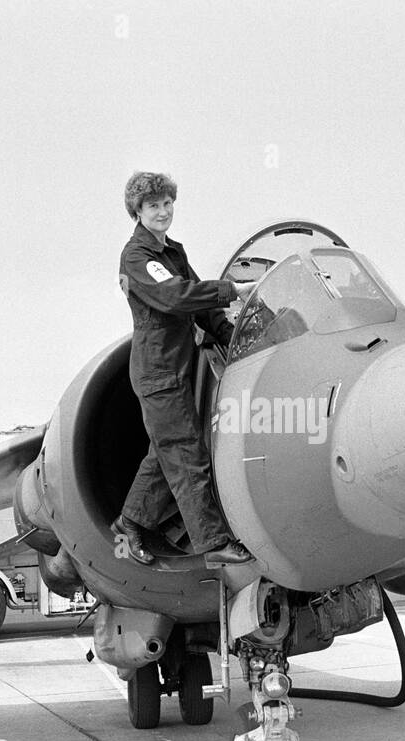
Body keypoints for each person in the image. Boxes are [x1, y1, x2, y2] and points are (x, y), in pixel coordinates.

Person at [113, 171, 255, 567]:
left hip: (176, 369)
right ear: (137, 211)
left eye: (167, 203)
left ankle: (130, 523)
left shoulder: (172, 252)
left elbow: (199, 305)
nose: (163, 211)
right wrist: (231, 291)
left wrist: (228, 333)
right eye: (153, 205)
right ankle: (214, 544)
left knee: (166, 454)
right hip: (159, 374)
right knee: (187, 457)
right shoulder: (138, 257)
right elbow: (176, 298)